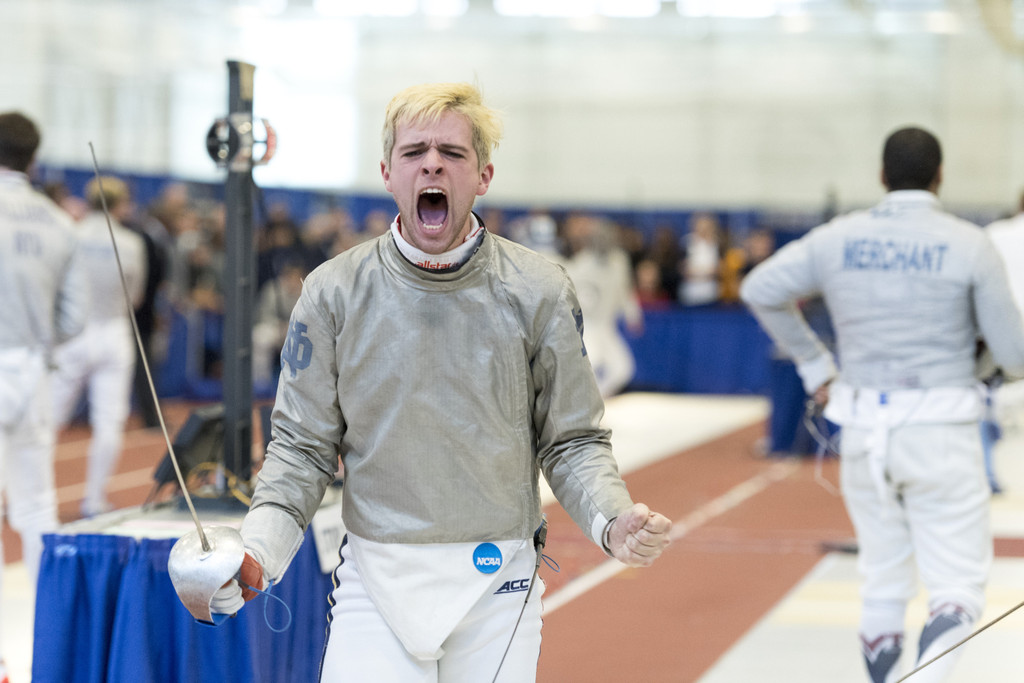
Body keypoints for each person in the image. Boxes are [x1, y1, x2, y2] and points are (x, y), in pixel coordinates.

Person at [212, 82, 672, 682]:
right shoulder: (332, 291)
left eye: (452, 154)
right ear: (387, 173)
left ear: (482, 176)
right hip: (375, 578)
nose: (432, 162)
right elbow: (301, 450)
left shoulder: (538, 289)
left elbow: (572, 439)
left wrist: (612, 518)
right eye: (414, 152)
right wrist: (257, 552)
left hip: (498, 580)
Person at [741, 126, 1024, 683]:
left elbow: (759, 288)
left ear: (881, 176)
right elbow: (1014, 353)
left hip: (863, 431)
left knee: (883, 581)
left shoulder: (838, 236)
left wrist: (816, 365)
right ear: (940, 178)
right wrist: (981, 360)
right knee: (958, 590)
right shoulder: (969, 242)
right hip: (942, 431)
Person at [0, 112, 88, 682]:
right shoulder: (62, 225)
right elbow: (73, 319)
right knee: (34, 507)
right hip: (30, 372)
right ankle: (41, 635)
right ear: (33, 159)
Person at [50, 175, 147, 518]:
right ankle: (93, 499)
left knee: (47, 421)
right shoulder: (132, 243)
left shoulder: (70, 234)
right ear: (119, 204)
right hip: (114, 333)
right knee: (109, 420)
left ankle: (24, 495)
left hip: (74, 334)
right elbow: (136, 297)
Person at [562, 214, 643, 398]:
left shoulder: (619, 261)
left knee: (622, 369)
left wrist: (633, 315)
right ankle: (579, 405)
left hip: (607, 326)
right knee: (591, 364)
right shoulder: (581, 265)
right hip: (587, 326)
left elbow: (625, 290)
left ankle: (597, 400)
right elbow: (567, 294)